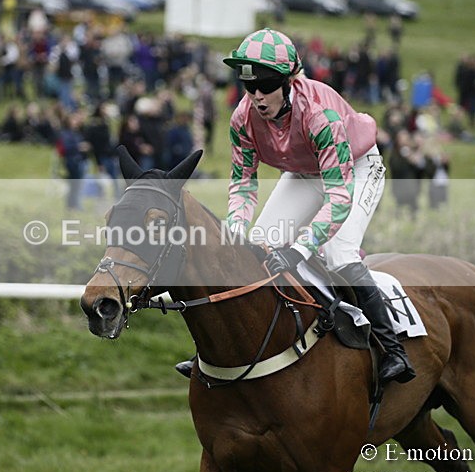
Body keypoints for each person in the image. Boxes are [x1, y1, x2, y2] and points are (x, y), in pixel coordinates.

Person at [176, 29, 415, 384]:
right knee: (256, 248)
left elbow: (337, 197)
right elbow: (243, 183)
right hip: (304, 171)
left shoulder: (319, 116)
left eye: (266, 85)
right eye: (249, 86)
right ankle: (224, 349)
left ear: (288, 81)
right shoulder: (242, 118)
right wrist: (235, 234)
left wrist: (299, 249)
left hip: (356, 168)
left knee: (338, 253)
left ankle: (393, 348)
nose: (257, 96)